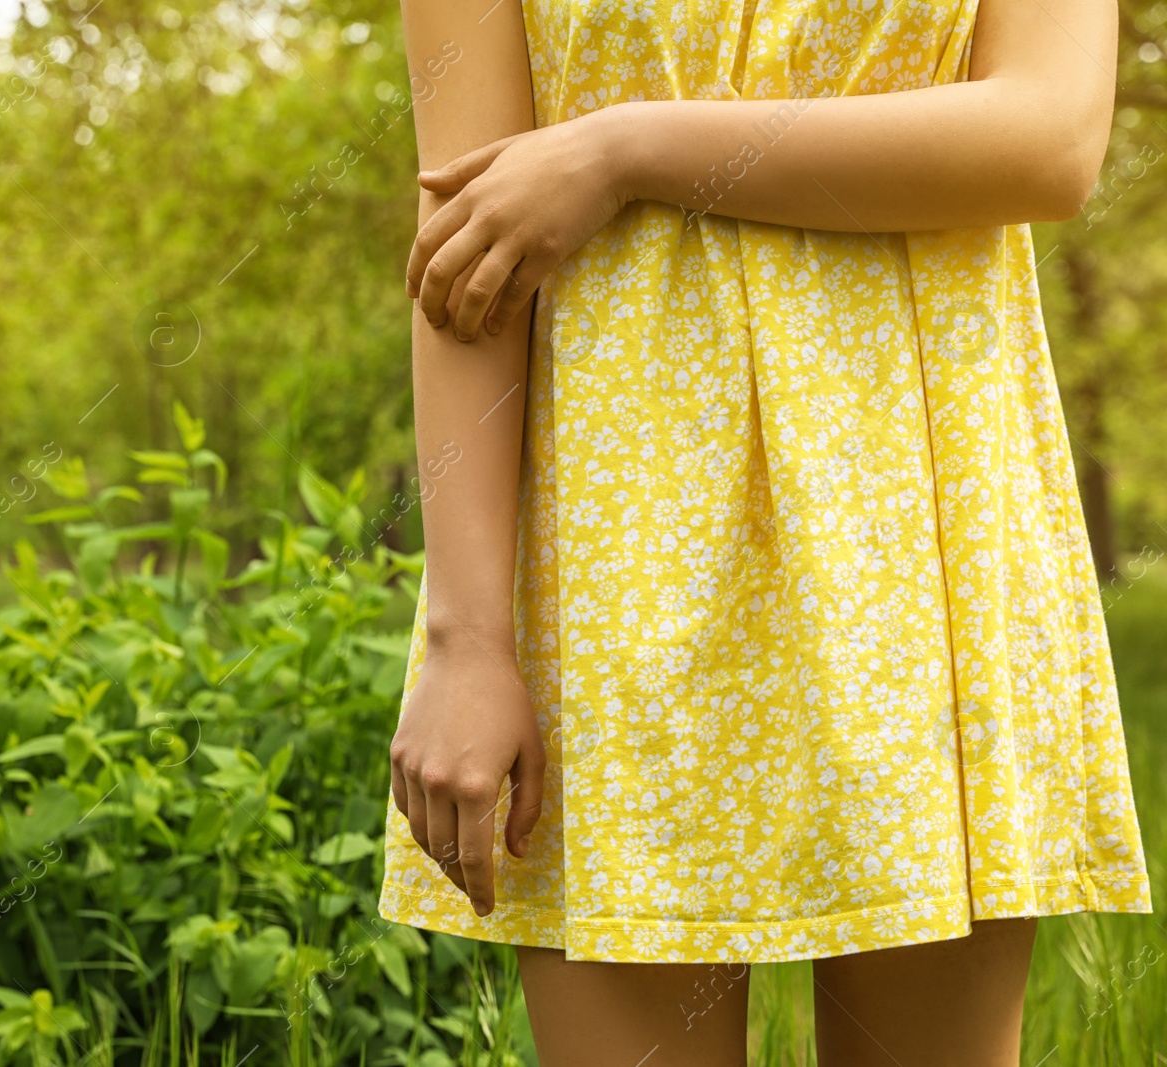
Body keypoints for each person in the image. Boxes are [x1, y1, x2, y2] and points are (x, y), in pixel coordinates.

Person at [378, 0, 1154, 1062]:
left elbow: (1048, 137)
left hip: (921, 528)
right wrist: (466, 637)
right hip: (617, 548)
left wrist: (626, 146)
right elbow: (467, 255)